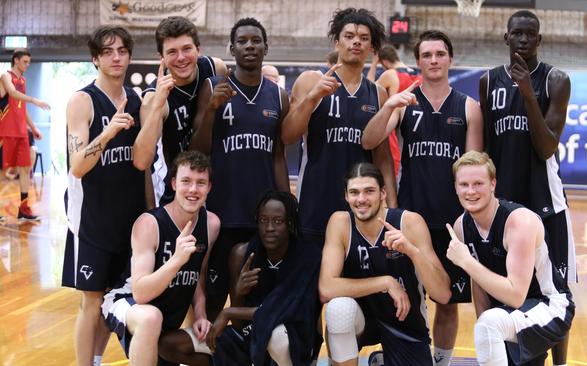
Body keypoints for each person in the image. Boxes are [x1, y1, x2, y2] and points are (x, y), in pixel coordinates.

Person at [362, 30, 483, 366]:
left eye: (440, 54)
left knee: (447, 301)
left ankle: (440, 362)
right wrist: (389, 105)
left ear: (450, 59)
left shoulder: (469, 107)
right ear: (417, 61)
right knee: (409, 299)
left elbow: (473, 169)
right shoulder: (406, 103)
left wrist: (468, 220)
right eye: (427, 55)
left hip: (451, 221)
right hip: (410, 219)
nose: (433, 60)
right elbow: (369, 140)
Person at [479, 10, 576, 365]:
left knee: (556, 293)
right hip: (505, 204)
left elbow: (547, 146)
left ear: (539, 39)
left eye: (529, 34)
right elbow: (488, 146)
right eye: (516, 34)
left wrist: (528, 95)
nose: (522, 40)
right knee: (509, 288)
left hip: (545, 203)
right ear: (505, 38)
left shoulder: (556, 80)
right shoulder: (488, 82)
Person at [190, 17, 290, 321]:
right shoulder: (213, 87)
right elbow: (197, 151)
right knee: (215, 295)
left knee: (255, 295)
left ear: (265, 47)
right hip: (222, 212)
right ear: (231, 48)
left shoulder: (278, 95)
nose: (250, 46)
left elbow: (278, 157)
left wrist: (288, 206)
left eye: (256, 40)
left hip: (263, 218)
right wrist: (211, 110)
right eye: (243, 41)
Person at [158, 191, 322, 366]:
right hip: (251, 334)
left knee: (275, 336)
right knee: (169, 344)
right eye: (263, 220)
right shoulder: (242, 254)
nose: (269, 228)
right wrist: (238, 292)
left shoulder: (308, 256)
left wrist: (228, 312)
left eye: (278, 221)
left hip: (293, 337)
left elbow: (281, 310)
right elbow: (239, 326)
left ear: (289, 223)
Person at [62, 25, 146, 366]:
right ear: (95, 58)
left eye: (122, 51)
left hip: (128, 218)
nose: (116, 57)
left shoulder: (137, 101)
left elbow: (142, 163)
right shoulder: (82, 101)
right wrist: (109, 131)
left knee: (115, 299)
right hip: (92, 221)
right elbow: (77, 165)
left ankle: (96, 360)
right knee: (91, 303)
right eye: (108, 52)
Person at [283, 8, 397, 249]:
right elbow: (288, 136)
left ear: (372, 49)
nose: (356, 41)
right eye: (349, 36)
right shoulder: (311, 80)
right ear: (337, 42)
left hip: (361, 205)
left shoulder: (378, 94)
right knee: (314, 281)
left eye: (364, 38)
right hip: (315, 199)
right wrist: (312, 98)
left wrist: (393, 210)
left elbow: (383, 157)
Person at [446, 151, 574, 366]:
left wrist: (466, 261)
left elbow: (516, 295)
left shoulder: (519, 222)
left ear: (493, 184)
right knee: (487, 324)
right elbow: (478, 284)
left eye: (478, 183)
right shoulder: (461, 225)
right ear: (455, 187)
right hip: (509, 315)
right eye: (464, 184)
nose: (470, 191)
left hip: (549, 306)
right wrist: (491, 336)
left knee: (489, 324)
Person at [319, 162, 451, 366]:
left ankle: (384, 359)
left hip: (405, 323)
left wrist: (413, 252)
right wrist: (386, 282)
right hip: (361, 321)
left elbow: (443, 294)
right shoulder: (340, 223)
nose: (361, 199)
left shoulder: (409, 223)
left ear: (382, 193)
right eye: (354, 192)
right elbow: (326, 289)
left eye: (369, 191)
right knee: (338, 309)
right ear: (346, 196)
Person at [101, 150, 220, 365]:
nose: (193, 189)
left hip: (167, 318)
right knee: (151, 317)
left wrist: (201, 314)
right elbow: (140, 293)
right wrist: (177, 260)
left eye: (201, 183)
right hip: (127, 302)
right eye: (186, 181)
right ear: (174, 184)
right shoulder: (149, 224)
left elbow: (198, 277)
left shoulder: (211, 224)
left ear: (209, 188)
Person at [133, 16, 226, 206]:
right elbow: (142, 162)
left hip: (215, 182)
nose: (181, 58)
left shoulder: (214, 68)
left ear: (198, 49)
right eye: (172, 52)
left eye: (186, 49)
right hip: (177, 194)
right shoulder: (153, 98)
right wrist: (158, 103)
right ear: (162, 58)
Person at [0, 48, 50, 221]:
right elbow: (13, 94)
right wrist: (35, 100)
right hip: (5, 131)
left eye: (29, 62)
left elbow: (21, 106)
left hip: (21, 132)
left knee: (24, 169)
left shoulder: (23, 80)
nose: (27, 65)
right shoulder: (6, 77)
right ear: (16, 60)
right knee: (3, 172)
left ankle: (23, 208)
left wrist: (33, 127)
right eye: (25, 62)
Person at [366, 44, 422, 178]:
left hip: (393, 128)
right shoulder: (419, 75)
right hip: (415, 128)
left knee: (390, 172)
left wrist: (373, 64)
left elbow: (367, 91)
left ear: (384, 61)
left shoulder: (390, 74)